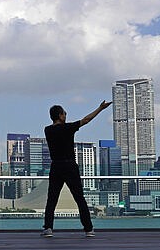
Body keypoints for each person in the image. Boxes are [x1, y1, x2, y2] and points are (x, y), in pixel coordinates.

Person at [41, 100, 112, 238]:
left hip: (55, 166)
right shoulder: (68, 128)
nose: (66, 115)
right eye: (64, 113)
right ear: (60, 115)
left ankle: (48, 228)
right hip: (70, 166)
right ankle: (88, 229)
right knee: (79, 198)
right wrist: (100, 108)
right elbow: (86, 119)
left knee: (52, 199)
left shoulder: (47, 130)